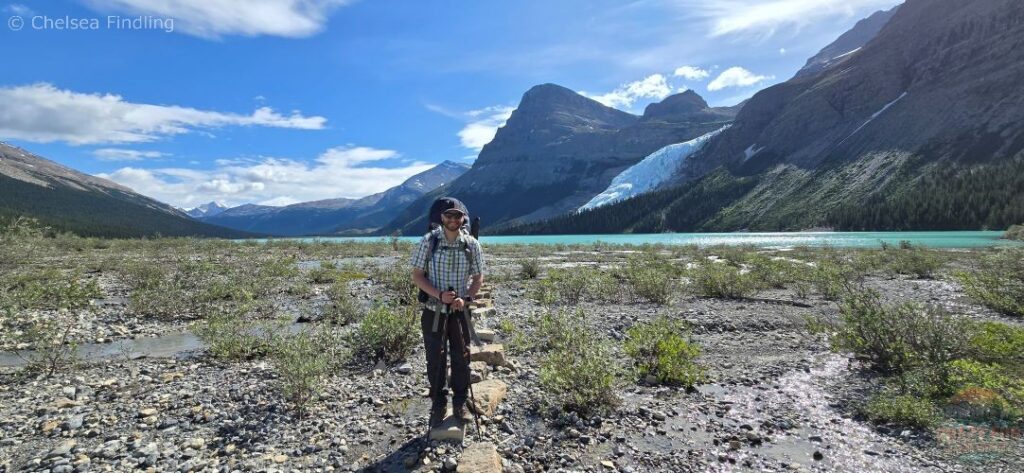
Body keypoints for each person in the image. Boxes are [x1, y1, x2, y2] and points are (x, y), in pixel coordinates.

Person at [410, 197, 484, 427]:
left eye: (457, 216)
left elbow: (478, 277)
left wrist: (467, 297)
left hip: (460, 311)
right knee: (435, 357)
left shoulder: (472, 245)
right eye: (448, 216)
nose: (453, 220)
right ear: (441, 218)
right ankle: (439, 401)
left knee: (462, 356)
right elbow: (417, 275)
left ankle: (460, 401)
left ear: (463, 219)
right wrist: (439, 295)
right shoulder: (429, 241)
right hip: (434, 309)